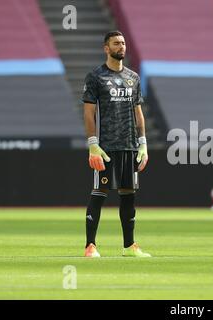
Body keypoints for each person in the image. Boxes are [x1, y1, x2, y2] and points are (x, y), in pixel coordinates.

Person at [82, 30, 151, 258]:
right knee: (99, 193)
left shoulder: (133, 78)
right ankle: (90, 245)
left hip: (130, 145)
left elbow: (138, 112)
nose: (121, 46)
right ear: (106, 48)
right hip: (106, 146)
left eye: (122, 43)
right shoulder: (96, 77)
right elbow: (89, 112)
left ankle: (129, 246)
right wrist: (93, 143)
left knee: (129, 195)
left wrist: (143, 144)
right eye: (116, 43)